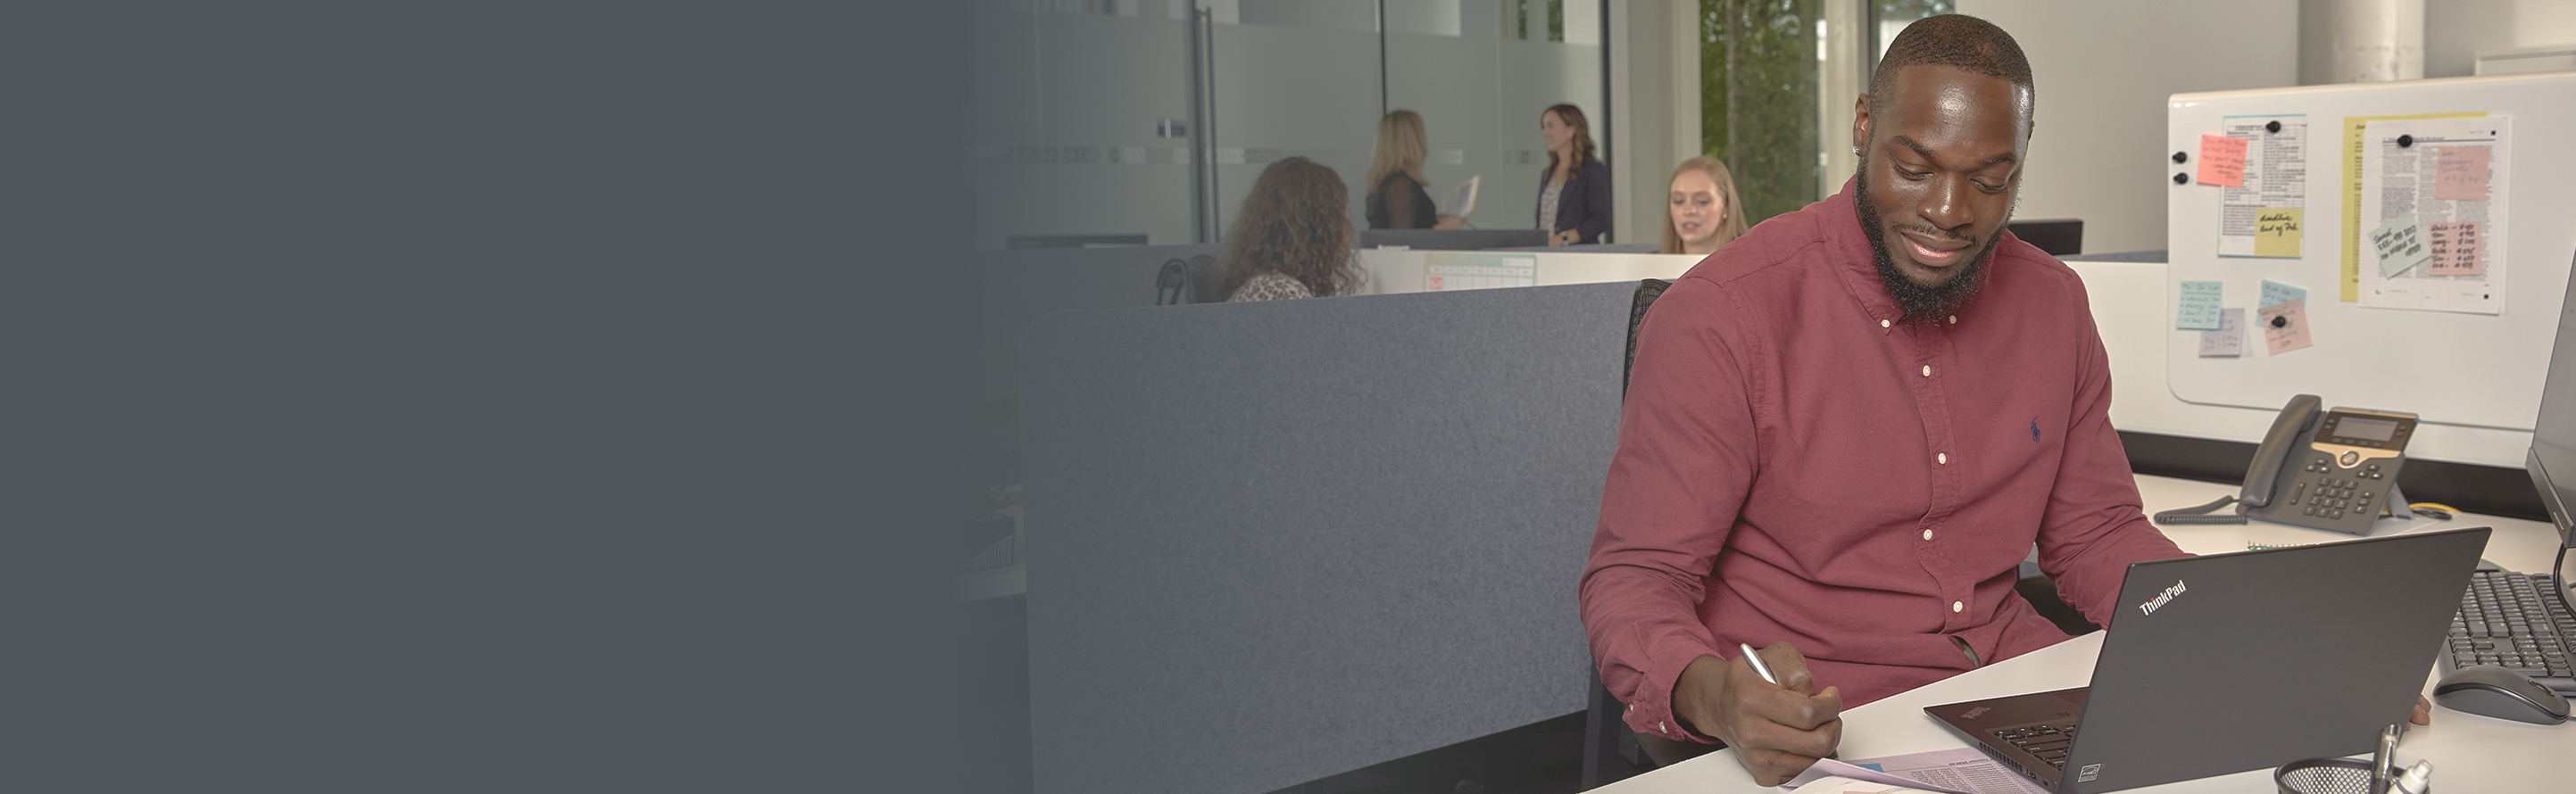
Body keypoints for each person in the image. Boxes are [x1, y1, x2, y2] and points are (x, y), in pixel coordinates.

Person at [1219, 156, 1363, 302]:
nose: (1347, 234)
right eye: (1343, 219)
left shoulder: (1269, 285)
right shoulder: (1283, 293)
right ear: (1319, 230)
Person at [1364, 110, 1465, 230]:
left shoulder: (1386, 182)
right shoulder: (1400, 185)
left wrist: (1431, 220)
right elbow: (1405, 239)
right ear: (1414, 140)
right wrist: (1444, 228)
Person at [1535, 103, 1609, 246]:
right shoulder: (1548, 174)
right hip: (1547, 257)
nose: (1545, 133)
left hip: (1579, 258)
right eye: (1543, 127)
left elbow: (1600, 221)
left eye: (1551, 126)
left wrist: (1561, 239)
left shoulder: (1592, 170)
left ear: (1571, 129)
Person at [1656, 156, 1749, 255]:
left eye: (1702, 201)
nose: (1688, 211)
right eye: (1678, 201)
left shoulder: (1755, 264)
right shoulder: (1648, 264)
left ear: (1726, 206)